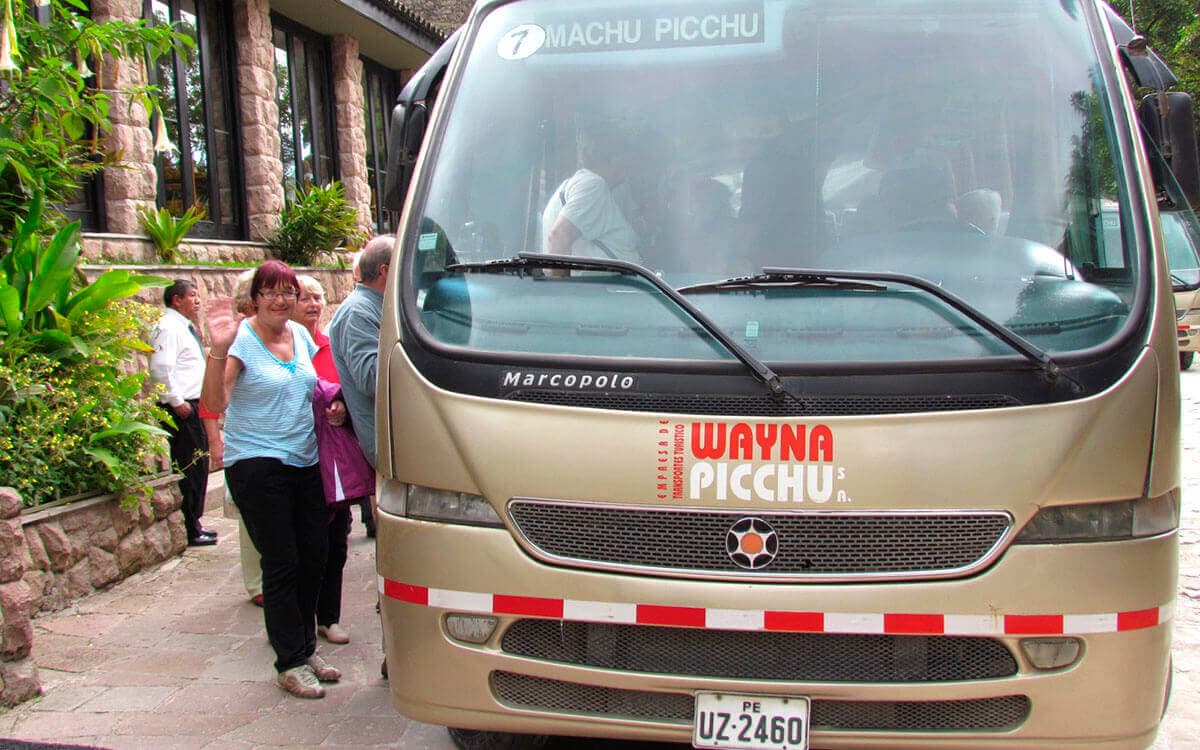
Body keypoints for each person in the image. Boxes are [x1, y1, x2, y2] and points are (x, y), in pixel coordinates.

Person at [201, 260, 340, 700]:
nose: (282, 300)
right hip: (257, 464)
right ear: (255, 298)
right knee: (282, 562)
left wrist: (332, 408)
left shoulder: (300, 335)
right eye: (272, 291)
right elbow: (214, 401)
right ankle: (290, 662)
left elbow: (309, 389)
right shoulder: (241, 340)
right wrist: (218, 349)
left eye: (289, 292)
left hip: (304, 460)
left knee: (314, 555)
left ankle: (305, 648)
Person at [294, 274, 373, 646]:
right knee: (305, 547)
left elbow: (347, 385)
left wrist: (340, 403)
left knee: (336, 541)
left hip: (337, 461)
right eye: (304, 297)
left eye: (318, 297)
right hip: (302, 458)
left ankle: (329, 617)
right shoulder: (286, 347)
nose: (313, 304)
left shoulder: (329, 344)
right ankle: (298, 622)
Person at [149, 279, 215, 547]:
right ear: (176, 300)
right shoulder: (168, 327)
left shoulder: (181, 326)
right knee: (190, 464)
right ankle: (190, 526)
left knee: (199, 465)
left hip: (194, 403)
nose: (197, 300)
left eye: (199, 295)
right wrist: (176, 401)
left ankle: (195, 521)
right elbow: (161, 368)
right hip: (183, 406)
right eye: (192, 295)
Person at [328, 235, 394, 469]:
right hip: (387, 442)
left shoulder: (380, 304)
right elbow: (370, 379)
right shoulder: (358, 312)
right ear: (385, 271)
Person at [541, 126, 640, 263]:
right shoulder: (592, 185)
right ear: (615, 159)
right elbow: (559, 237)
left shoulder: (585, 185)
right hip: (595, 284)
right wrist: (562, 284)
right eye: (628, 156)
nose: (631, 164)